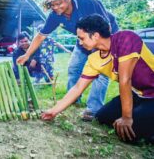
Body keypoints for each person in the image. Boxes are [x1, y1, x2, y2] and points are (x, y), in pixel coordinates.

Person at [42, 15, 154, 143]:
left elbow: (125, 80)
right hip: (138, 94)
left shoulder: (126, 38)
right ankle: (142, 114)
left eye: (81, 38)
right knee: (102, 117)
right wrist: (54, 111)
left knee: (131, 132)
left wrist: (127, 117)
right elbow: (78, 87)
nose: (79, 42)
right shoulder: (94, 59)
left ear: (95, 35)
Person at [17, 0, 119, 121]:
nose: (56, 8)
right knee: (74, 68)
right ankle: (73, 100)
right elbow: (41, 35)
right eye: (52, 5)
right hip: (83, 40)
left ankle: (93, 109)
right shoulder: (55, 16)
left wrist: (101, 52)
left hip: (103, 38)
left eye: (59, 3)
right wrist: (27, 54)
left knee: (101, 73)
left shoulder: (89, 3)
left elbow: (106, 27)